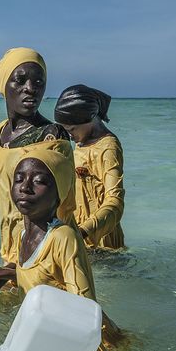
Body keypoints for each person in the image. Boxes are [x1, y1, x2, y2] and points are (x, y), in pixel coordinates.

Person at [0, 142, 122, 351]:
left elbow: (84, 309)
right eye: (19, 178)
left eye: (40, 181)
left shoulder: (63, 237)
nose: (25, 187)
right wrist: (4, 274)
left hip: (99, 347)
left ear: (59, 192)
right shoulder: (23, 234)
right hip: (50, 333)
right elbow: (46, 280)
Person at [0, 48, 71, 264]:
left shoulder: (51, 135)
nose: (30, 89)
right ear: (4, 85)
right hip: (8, 248)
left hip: (40, 252)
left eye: (39, 82)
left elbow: (64, 204)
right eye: (20, 80)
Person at [54, 85, 125, 250]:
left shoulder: (108, 147)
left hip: (101, 242)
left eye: (72, 130)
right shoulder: (81, 142)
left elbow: (115, 201)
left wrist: (84, 231)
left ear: (90, 118)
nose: (69, 136)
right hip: (76, 234)